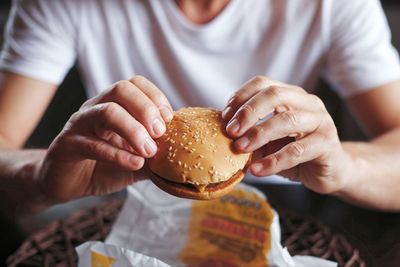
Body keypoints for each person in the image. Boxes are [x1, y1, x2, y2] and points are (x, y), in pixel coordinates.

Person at [1, 0, 400, 215]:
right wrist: (40, 176)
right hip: (118, 194)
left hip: (283, 192)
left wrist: (347, 167)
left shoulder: (335, 5)